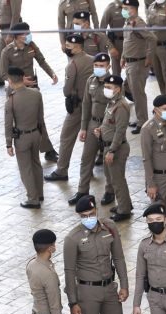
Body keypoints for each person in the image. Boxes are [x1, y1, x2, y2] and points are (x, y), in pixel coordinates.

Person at [0, 22, 59, 163]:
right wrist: (21, 81)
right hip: (16, 91)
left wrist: (52, 74)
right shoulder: (7, 52)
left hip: (32, 89)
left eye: (28, 32)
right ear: (17, 36)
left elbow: (41, 61)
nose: (28, 35)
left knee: (39, 119)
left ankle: (48, 150)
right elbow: (3, 74)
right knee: (19, 121)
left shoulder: (31, 46)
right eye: (25, 33)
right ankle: (20, 148)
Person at [44, 34, 94, 183]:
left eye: (68, 46)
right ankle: (88, 170)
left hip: (78, 107)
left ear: (77, 47)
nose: (66, 48)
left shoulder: (72, 65)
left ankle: (61, 170)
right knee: (91, 140)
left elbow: (66, 90)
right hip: (93, 105)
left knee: (66, 137)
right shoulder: (93, 60)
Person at [71, 52, 113, 206]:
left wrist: (107, 127)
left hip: (109, 125)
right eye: (96, 65)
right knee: (86, 158)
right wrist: (83, 128)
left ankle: (110, 191)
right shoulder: (91, 80)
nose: (98, 68)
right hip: (93, 123)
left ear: (108, 66)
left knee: (108, 161)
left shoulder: (114, 83)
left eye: (101, 66)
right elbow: (86, 104)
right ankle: (82, 191)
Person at [4, 66, 45, 209]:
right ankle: (40, 193)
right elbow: (40, 117)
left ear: (10, 81)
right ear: (23, 78)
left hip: (22, 138)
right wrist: (40, 134)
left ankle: (33, 199)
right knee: (36, 164)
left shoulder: (11, 101)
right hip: (36, 134)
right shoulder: (36, 94)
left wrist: (9, 144)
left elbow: (8, 124)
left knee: (25, 169)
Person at [97, 74, 132, 221]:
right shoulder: (112, 103)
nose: (106, 89)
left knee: (118, 181)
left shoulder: (121, 106)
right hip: (108, 146)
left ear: (117, 89)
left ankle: (124, 210)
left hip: (116, 148)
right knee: (113, 178)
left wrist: (112, 151)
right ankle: (125, 204)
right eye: (105, 86)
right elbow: (109, 123)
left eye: (109, 87)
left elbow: (120, 131)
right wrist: (100, 130)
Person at [120, 0, 155, 133]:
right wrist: (123, 57)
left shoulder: (138, 23)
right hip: (130, 62)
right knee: (132, 92)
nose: (123, 10)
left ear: (133, 9)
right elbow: (127, 42)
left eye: (126, 8)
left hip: (138, 64)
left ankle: (143, 122)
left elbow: (152, 38)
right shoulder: (128, 22)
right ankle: (141, 118)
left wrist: (149, 57)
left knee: (138, 95)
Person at [141, 95, 166, 213]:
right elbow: (146, 158)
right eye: (165, 109)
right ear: (156, 110)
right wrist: (151, 184)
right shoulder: (148, 128)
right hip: (159, 178)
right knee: (158, 211)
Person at [146, 0, 166, 95]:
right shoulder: (151, 7)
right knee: (158, 75)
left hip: (165, 47)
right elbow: (148, 26)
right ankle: (164, 97)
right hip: (153, 47)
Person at [0, 0, 21, 87]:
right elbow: (1, 11)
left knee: (12, 56)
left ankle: (17, 79)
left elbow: (16, 15)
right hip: (3, 30)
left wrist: (11, 34)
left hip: (10, 30)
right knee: (0, 54)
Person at [100, 0, 126, 75]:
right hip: (117, 44)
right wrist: (110, 47)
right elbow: (101, 32)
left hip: (131, 44)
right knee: (116, 73)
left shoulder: (132, 4)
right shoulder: (110, 8)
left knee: (133, 72)